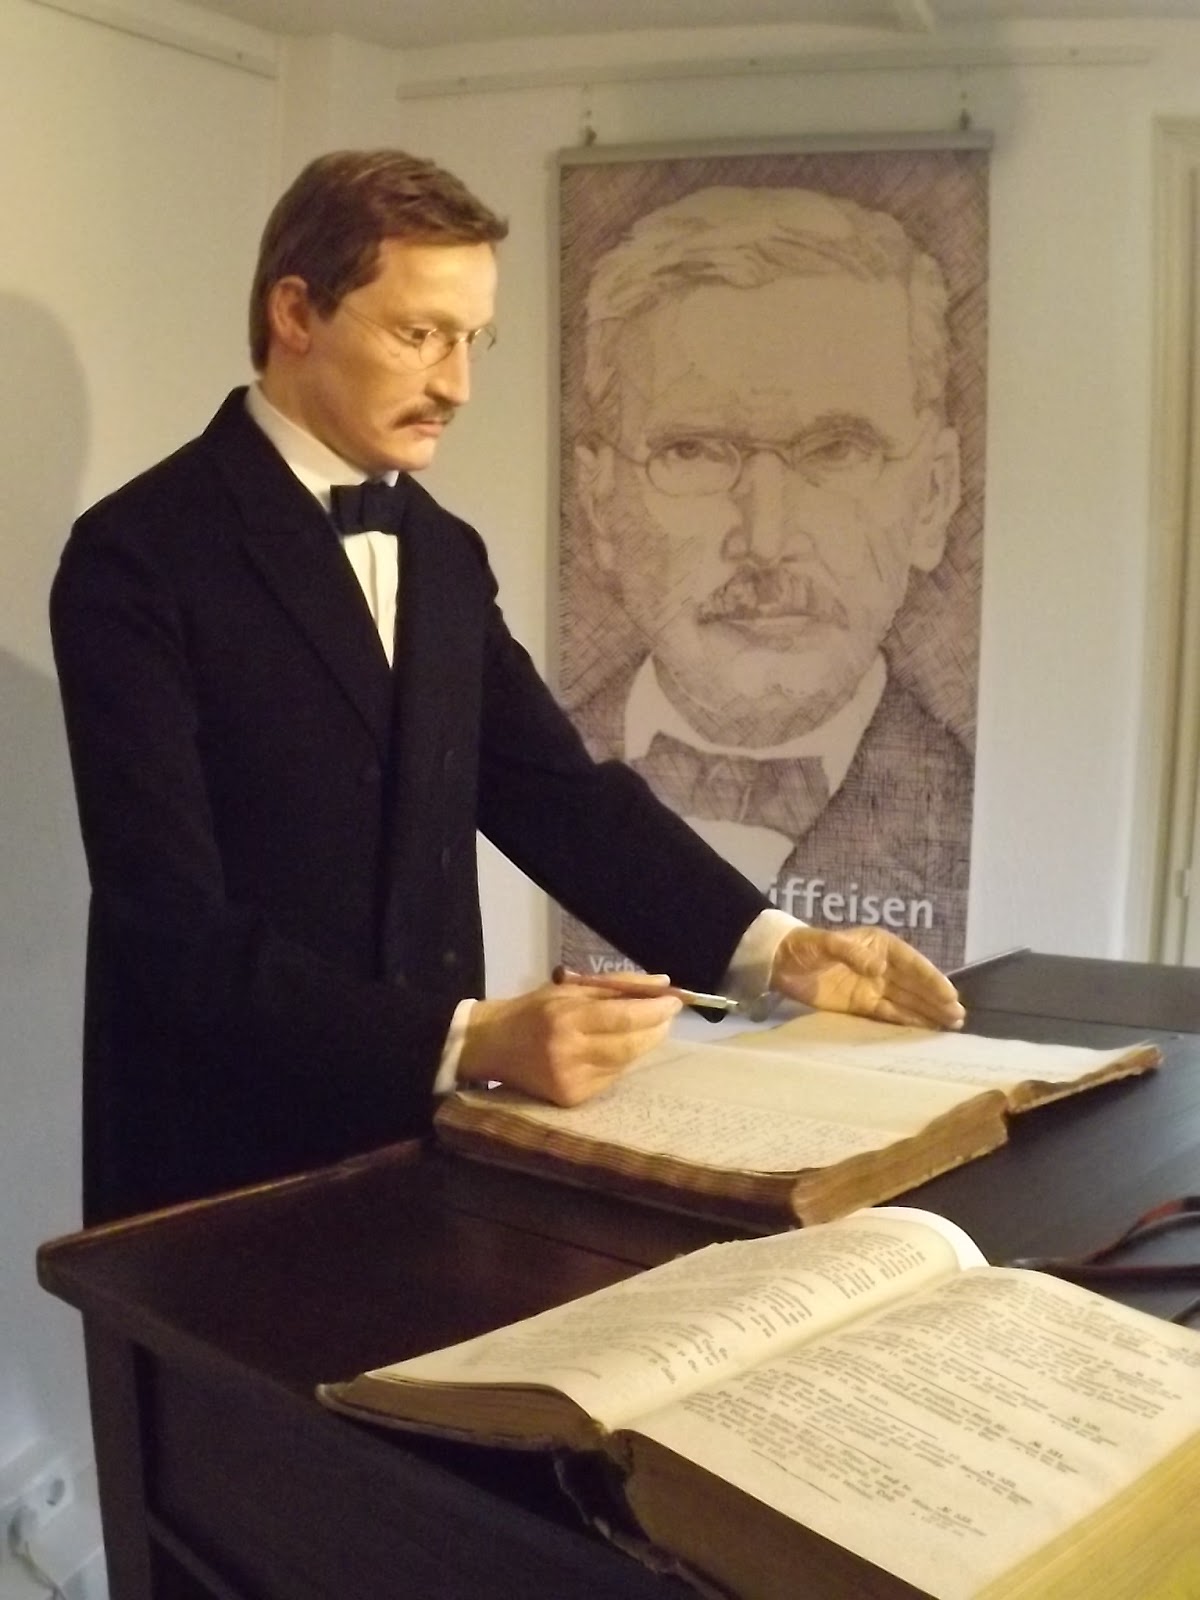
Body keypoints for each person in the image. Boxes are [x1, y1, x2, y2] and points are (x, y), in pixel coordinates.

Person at [51, 150, 964, 1226]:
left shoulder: (444, 553)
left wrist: (776, 951)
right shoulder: (138, 556)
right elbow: (170, 935)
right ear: (295, 313)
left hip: (425, 1154)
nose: (457, 385)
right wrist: (470, 1039)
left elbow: (559, 800)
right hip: (212, 1178)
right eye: (420, 334)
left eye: (471, 340)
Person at [566, 185, 973, 972]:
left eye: (838, 450)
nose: (766, 539)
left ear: (934, 494)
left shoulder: (965, 808)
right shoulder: (519, 778)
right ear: (598, 502)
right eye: (693, 451)